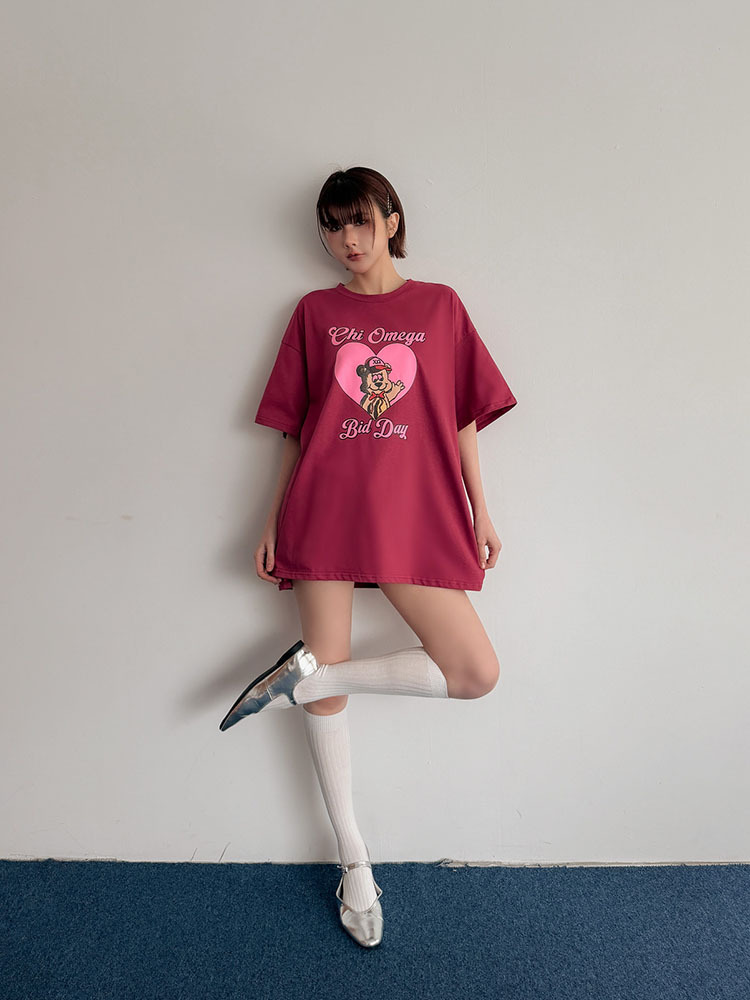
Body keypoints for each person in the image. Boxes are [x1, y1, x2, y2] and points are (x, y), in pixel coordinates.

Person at [219, 166, 518, 949]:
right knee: (327, 693)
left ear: (391, 219)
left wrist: (480, 508)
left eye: (358, 221)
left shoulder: (440, 307)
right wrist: (270, 520)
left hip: (412, 515)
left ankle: (301, 678)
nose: (346, 239)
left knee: (474, 672)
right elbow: (297, 428)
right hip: (324, 507)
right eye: (332, 226)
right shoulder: (315, 313)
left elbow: (460, 416)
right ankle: (354, 862)